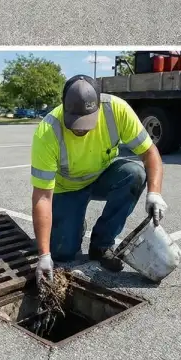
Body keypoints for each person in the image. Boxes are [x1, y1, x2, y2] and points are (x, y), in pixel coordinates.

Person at [30, 75, 167, 283]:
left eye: (86, 122)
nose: (80, 129)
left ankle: (102, 244)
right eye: (74, 122)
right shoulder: (48, 132)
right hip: (67, 189)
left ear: (98, 108)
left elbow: (150, 153)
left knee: (135, 174)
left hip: (102, 177)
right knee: (62, 253)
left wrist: (155, 193)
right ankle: (75, 223)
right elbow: (42, 197)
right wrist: (43, 255)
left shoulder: (117, 111)